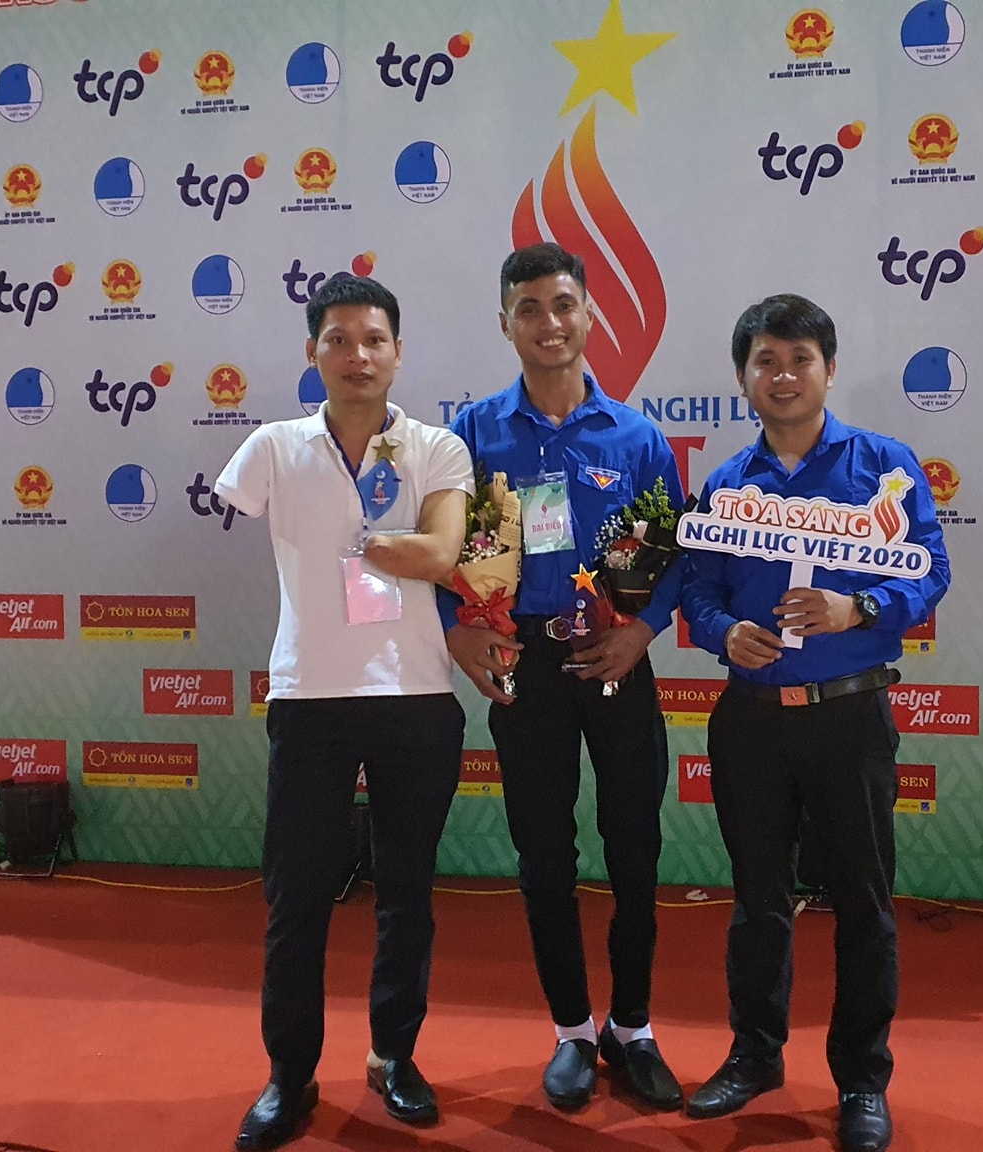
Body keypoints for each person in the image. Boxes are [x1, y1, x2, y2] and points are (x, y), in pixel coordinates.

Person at [678, 294, 950, 1152]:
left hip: (849, 717)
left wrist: (855, 606)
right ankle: (755, 1054)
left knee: (863, 902)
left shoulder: (885, 468)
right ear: (743, 378)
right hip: (752, 722)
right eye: (766, 360)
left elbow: (930, 571)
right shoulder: (729, 485)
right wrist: (724, 632)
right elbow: (697, 589)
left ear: (829, 369)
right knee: (759, 900)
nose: (783, 375)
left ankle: (862, 1080)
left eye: (800, 358)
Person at [214, 275, 473, 1149]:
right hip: (310, 696)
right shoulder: (271, 448)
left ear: (397, 351)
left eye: (373, 339)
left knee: (407, 894)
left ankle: (394, 1057)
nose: (357, 355)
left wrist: (385, 546)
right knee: (296, 898)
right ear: (312, 352)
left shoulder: (435, 447)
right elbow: (425, 551)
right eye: (338, 339)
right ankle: (289, 1077)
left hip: (415, 695)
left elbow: (445, 554)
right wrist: (402, 548)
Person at [438, 243, 686, 1111]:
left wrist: (644, 631)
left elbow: (673, 555)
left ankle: (634, 1027)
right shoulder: (473, 435)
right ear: (506, 323)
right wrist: (457, 630)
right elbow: (443, 548)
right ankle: (574, 1031)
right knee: (544, 853)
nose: (550, 323)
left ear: (588, 315)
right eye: (530, 309)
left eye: (564, 305)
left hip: (615, 660)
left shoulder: (637, 437)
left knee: (635, 847)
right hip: (526, 666)